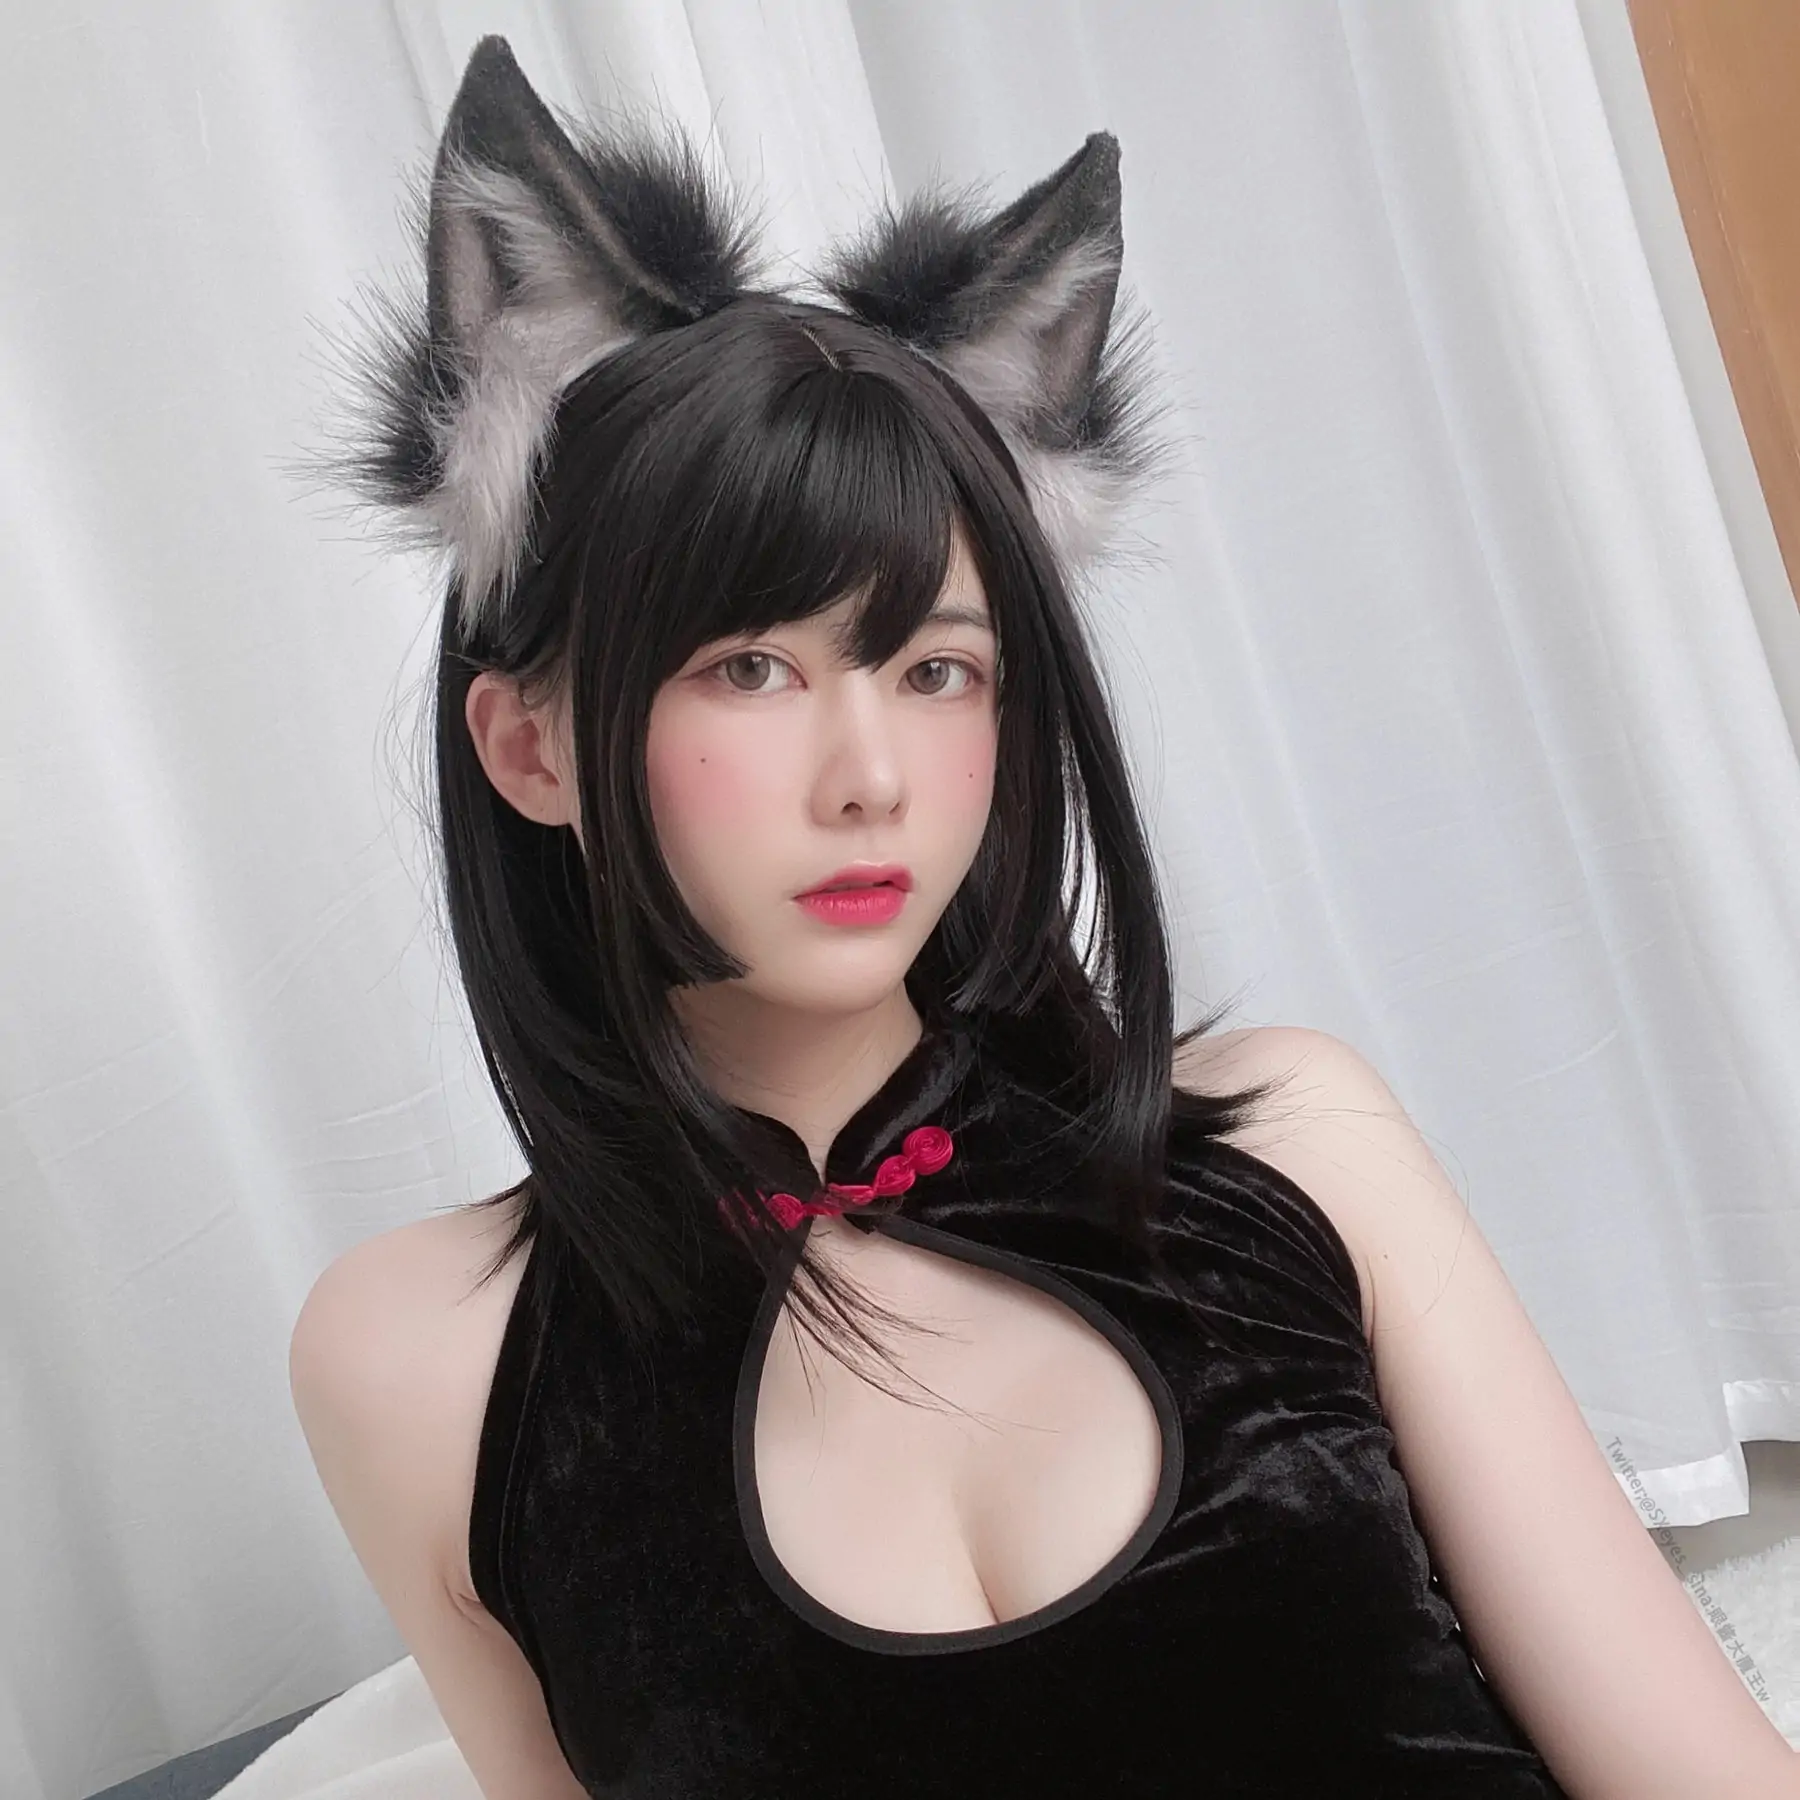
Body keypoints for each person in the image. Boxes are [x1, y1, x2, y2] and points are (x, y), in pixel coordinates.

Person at [287, 35, 1797, 1800]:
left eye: (935, 668)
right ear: (528, 747)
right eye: (752, 667)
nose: (869, 776)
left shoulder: (1290, 1145)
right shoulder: (422, 1362)